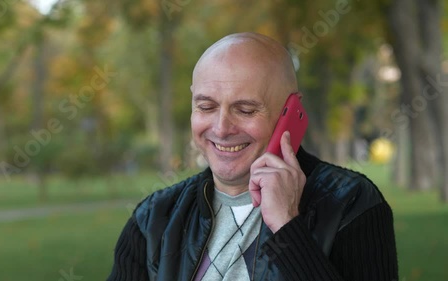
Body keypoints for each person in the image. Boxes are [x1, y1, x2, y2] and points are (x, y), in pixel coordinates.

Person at [106, 32, 398, 281]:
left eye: (245, 110)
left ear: (290, 112)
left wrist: (287, 225)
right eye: (206, 107)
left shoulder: (351, 203)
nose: (221, 128)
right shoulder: (153, 220)